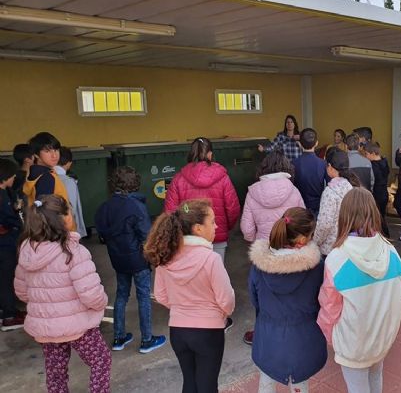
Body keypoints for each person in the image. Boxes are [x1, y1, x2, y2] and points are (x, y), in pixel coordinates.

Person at [14, 195, 110, 392]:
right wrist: (100, 304)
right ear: (65, 219)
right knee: (100, 360)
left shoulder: (26, 252)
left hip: (46, 328)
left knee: (55, 372)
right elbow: (91, 294)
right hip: (78, 326)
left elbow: (22, 292)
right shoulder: (73, 251)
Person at [318, 188, 401, 393]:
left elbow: (329, 307)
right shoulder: (391, 251)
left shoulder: (336, 259)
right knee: (376, 378)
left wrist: (331, 338)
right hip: (383, 335)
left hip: (352, 341)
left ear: (344, 216)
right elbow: (397, 291)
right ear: (373, 213)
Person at [145, 199, 235, 393]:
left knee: (190, 382)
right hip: (209, 332)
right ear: (198, 229)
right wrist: (220, 314)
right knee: (208, 385)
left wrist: (180, 308)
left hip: (178, 331)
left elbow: (160, 295)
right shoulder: (211, 259)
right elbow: (226, 299)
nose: (216, 225)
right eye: (212, 221)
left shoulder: (165, 255)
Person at [250, 208, 326, 393]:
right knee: (299, 386)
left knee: (266, 380)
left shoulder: (258, 265)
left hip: (267, 335)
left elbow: (255, 299)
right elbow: (322, 300)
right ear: (301, 240)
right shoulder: (316, 267)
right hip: (303, 339)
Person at [95, 166, 166, 353]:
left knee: (121, 295)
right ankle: (147, 340)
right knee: (143, 296)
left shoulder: (105, 207)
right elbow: (147, 235)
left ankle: (119, 337)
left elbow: (101, 232)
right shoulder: (137, 207)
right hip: (138, 259)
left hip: (117, 259)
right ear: (136, 184)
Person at [240, 150, 305, 346]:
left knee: (261, 296)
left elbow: (246, 229)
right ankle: (292, 331)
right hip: (290, 253)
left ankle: (262, 332)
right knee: (291, 294)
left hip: (264, 255)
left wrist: (256, 240)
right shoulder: (293, 191)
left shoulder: (253, 193)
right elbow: (302, 223)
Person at [164, 137, 240, 261]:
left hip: (188, 239)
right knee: (216, 275)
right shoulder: (223, 178)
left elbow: (170, 213)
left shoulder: (178, 179)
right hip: (216, 236)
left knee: (192, 276)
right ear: (210, 154)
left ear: (191, 154)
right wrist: (224, 227)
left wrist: (179, 234)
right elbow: (233, 209)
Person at [314, 150, 359, 256]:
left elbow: (324, 225)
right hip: (348, 244)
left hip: (330, 247)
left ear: (329, 166)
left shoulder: (330, 191)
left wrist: (315, 242)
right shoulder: (351, 186)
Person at [0, 159, 25, 331]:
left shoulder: (5, 194)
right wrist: (18, 222)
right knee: (6, 278)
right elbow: (7, 219)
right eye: (12, 175)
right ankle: (9, 315)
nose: (14, 178)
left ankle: (6, 310)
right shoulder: (1, 196)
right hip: (4, 242)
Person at [23, 132, 69, 206]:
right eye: (47, 151)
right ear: (36, 154)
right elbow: (46, 212)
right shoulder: (47, 177)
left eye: (56, 150)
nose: (54, 155)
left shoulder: (33, 173)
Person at [293, 128, 327, 217]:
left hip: (299, 206)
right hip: (318, 206)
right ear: (316, 143)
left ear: (299, 144)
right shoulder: (323, 163)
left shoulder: (293, 163)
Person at [55, 147, 87, 237]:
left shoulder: (47, 177)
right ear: (69, 163)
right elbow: (72, 207)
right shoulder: (68, 181)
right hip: (68, 228)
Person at [364, 142, 390, 237]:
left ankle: (383, 235)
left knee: (377, 217)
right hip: (384, 193)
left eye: (366, 154)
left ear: (373, 154)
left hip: (377, 194)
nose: (365, 156)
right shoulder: (384, 162)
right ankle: (384, 235)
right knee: (381, 216)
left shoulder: (373, 166)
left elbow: (372, 181)